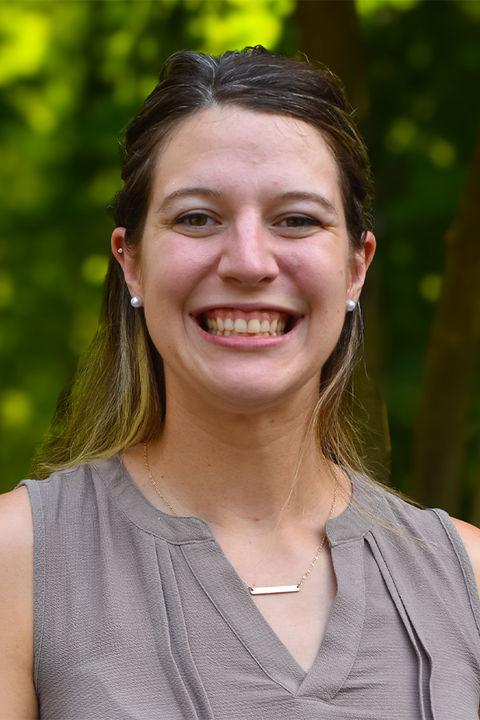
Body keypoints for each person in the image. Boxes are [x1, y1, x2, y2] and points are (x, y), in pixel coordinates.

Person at [1, 46, 479, 719]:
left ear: (355, 268)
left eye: (297, 219)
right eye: (197, 217)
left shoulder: (470, 581)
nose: (250, 261)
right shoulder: (17, 565)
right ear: (132, 262)